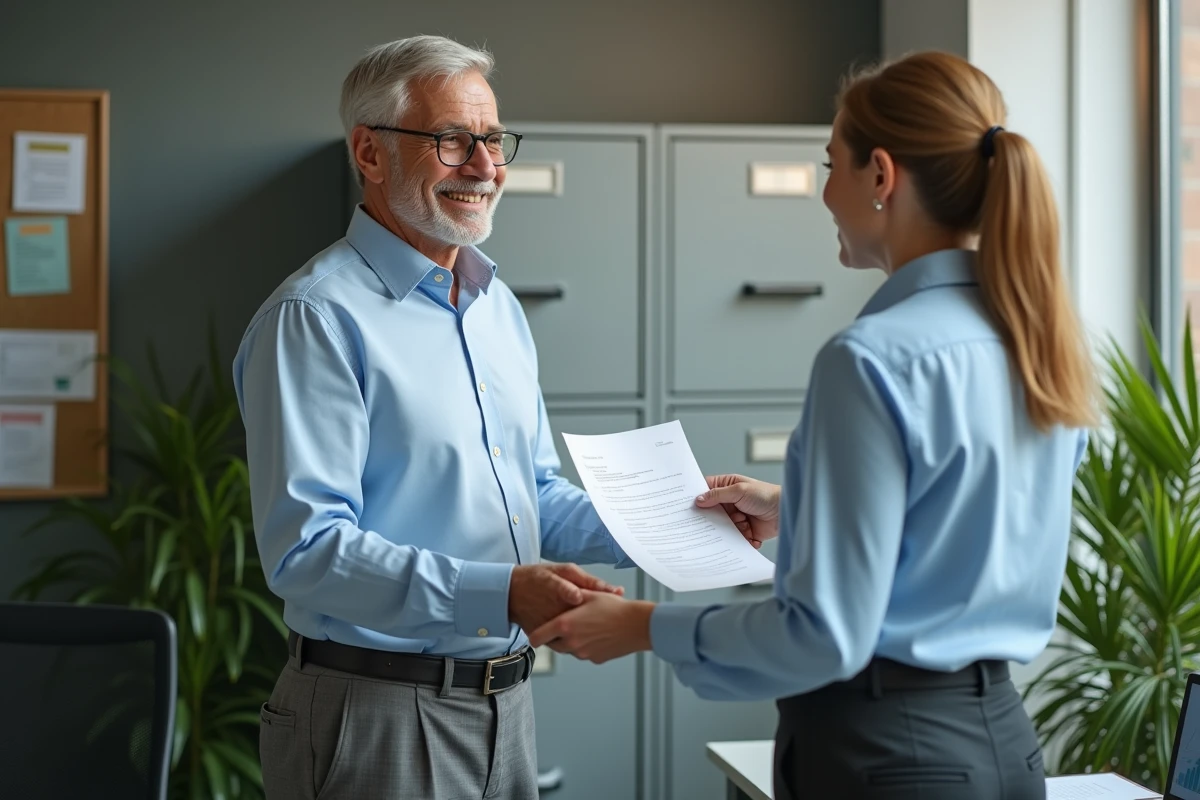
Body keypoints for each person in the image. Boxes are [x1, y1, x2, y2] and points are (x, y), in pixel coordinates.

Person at [531, 50, 1095, 800]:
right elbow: (964, 524)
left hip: (888, 756)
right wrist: (797, 507)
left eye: (830, 164)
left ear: (881, 176)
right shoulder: (1038, 340)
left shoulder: (871, 360)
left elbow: (823, 634)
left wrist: (640, 626)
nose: (825, 193)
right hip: (1003, 747)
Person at [233, 35, 633, 800]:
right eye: (452, 141)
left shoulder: (495, 305)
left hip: (506, 706)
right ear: (370, 153)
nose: (485, 167)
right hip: (375, 711)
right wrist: (503, 594)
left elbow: (533, 495)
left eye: (492, 140)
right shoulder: (315, 318)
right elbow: (308, 551)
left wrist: (672, 521)